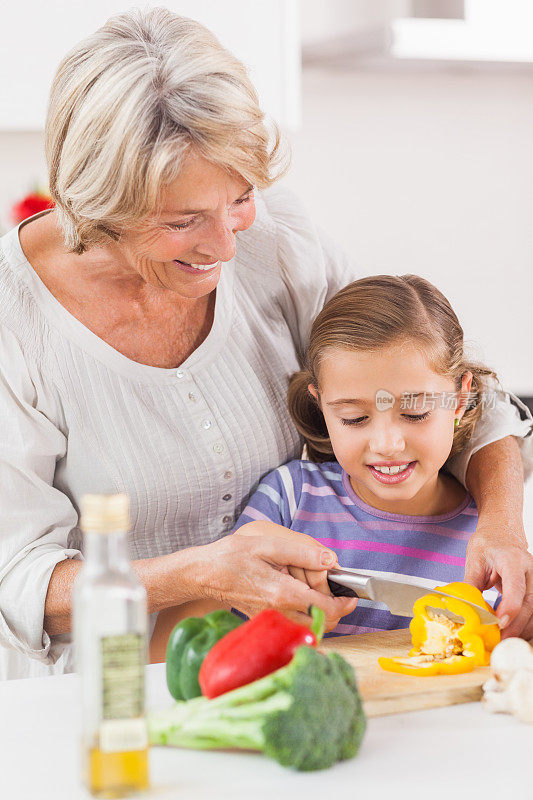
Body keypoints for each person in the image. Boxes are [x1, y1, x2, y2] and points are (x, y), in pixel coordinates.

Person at [0, 9, 531, 680]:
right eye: (182, 220)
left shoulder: (276, 240)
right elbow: (20, 584)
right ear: (98, 206)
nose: (225, 245)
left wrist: (503, 525)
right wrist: (201, 572)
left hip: (288, 671)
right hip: (108, 700)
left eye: (240, 197)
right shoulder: (14, 326)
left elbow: (438, 381)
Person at [229, 275, 532, 637]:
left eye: (415, 413)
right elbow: (201, 626)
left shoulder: (489, 541)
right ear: (321, 405)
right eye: (354, 418)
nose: (387, 444)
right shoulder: (290, 497)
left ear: (460, 397)